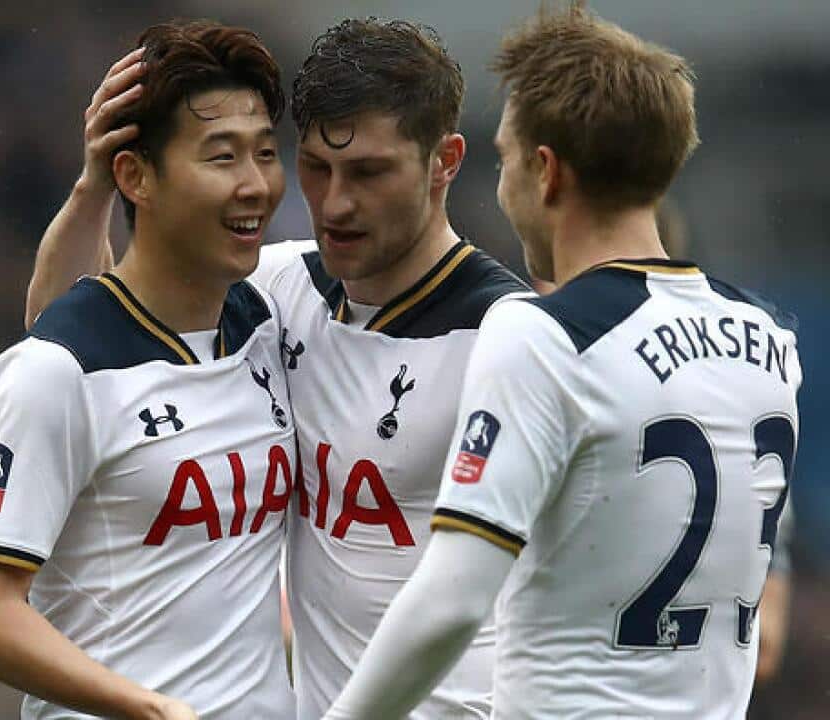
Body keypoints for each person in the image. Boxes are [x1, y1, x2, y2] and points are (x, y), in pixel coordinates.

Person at [23, 18, 528, 719]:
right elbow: (67, 334)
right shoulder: (282, 291)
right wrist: (95, 188)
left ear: (445, 160)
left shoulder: (512, 337)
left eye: (370, 172)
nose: (337, 203)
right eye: (317, 168)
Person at [324, 4, 800, 717]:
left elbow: (452, 600)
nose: (502, 185)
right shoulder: (771, 343)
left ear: (546, 172)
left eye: (507, 159)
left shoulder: (543, 336)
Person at [0, 21, 294, 720]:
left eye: (265, 153)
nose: (256, 184)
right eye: (222, 157)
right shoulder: (56, 372)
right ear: (136, 176)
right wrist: (148, 707)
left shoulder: (271, 320)